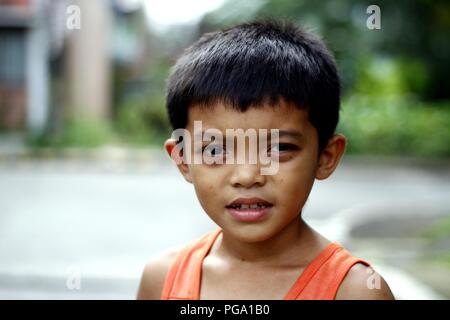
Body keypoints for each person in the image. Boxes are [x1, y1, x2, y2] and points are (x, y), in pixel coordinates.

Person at [137, 20, 395, 300]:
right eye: (215, 151)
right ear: (184, 159)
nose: (247, 176)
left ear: (326, 156)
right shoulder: (162, 279)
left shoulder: (354, 291)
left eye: (279, 148)